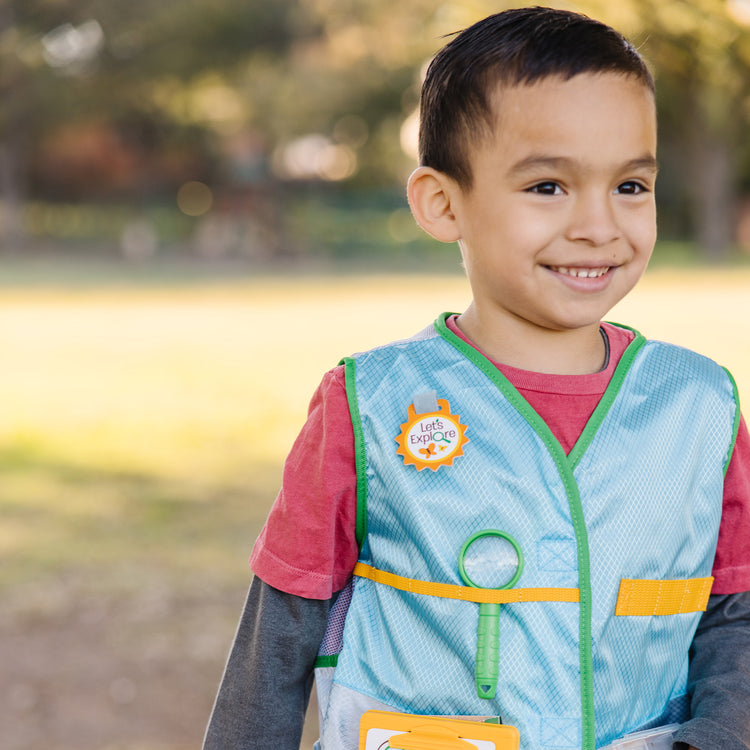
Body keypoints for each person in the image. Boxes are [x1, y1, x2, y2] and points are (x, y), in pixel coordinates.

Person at [203, 8, 750, 750]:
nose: (599, 224)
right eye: (549, 187)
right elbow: (274, 645)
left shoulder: (701, 408)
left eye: (630, 186)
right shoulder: (368, 408)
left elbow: (735, 618)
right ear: (442, 202)